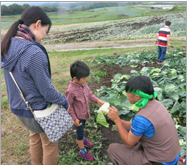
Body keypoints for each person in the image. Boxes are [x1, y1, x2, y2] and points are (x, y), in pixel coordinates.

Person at [1, 6, 70, 165]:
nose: (43, 38)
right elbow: (47, 91)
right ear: (37, 24)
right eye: (45, 33)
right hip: (39, 108)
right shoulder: (33, 52)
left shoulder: (8, 44)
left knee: (35, 137)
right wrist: (64, 101)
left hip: (21, 108)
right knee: (50, 144)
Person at [107, 75, 181, 165]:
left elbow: (128, 143)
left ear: (137, 96)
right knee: (137, 142)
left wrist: (117, 121)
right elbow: (136, 126)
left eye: (128, 92)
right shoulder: (157, 104)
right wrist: (117, 119)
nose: (126, 94)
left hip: (160, 161)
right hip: (172, 156)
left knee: (113, 149)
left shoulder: (142, 119)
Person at [66, 60, 105, 161]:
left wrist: (97, 101)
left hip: (84, 114)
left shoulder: (83, 85)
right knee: (79, 132)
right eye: (84, 78)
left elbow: (90, 94)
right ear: (75, 78)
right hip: (78, 117)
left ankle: (83, 139)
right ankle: (82, 150)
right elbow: (68, 106)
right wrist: (74, 119)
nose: (86, 80)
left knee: (82, 128)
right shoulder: (70, 91)